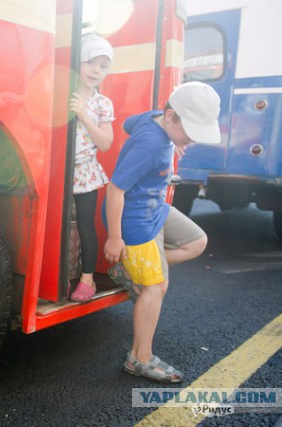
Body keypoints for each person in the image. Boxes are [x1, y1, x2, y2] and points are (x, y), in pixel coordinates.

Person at [103, 81, 221, 383]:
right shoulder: (151, 146)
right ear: (170, 116)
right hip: (136, 220)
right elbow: (115, 189)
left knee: (197, 241)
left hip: (156, 209)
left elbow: (130, 123)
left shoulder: (154, 120)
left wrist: (174, 139)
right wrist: (115, 238)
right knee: (156, 287)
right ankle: (139, 359)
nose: (191, 141)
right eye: (189, 133)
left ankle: (131, 267)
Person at [68, 34, 115, 302]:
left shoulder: (102, 103)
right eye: (90, 62)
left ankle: (87, 280)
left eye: (103, 65)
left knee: (86, 226)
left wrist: (83, 113)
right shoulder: (64, 92)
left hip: (85, 172)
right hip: (60, 171)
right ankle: (62, 275)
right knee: (60, 225)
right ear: (78, 62)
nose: (96, 70)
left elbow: (106, 143)